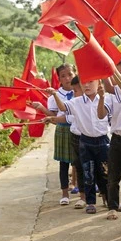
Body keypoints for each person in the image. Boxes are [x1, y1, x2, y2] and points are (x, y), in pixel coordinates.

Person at [49, 80, 109, 215]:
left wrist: (103, 96)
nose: (86, 85)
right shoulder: (77, 102)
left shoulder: (106, 99)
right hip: (86, 141)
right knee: (88, 173)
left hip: (103, 140)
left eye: (90, 82)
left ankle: (108, 199)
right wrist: (55, 94)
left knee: (105, 172)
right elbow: (63, 108)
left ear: (99, 83)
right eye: (84, 83)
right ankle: (90, 202)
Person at [32, 63, 76, 206]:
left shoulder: (81, 91)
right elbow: (54, 115)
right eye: (63, 76)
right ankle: (64, 193)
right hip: (63, 129)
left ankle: (83, 192)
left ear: (75, 74)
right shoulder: (54, 96)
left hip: (79, 129)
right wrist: (42, 109)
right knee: (64, 163)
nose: (67, 78)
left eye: (70, 74)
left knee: (80, 162)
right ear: (59, 79)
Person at [97, 58, 121, 220]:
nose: (119, 76)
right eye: (116, 73)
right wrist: (102, 97)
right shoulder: (111, 95)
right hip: (117, 139)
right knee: (113, 176)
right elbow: (101, 114)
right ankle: (112, 206)